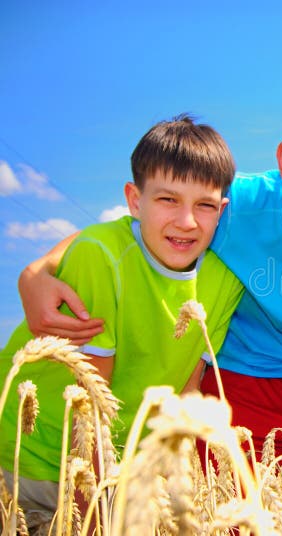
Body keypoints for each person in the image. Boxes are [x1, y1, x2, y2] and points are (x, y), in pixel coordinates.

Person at [16, 83, 282, 480]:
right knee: (227, 502)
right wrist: (37, 271)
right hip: (241, 374)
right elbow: (130, 227)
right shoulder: (228, 203)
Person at [0, 115, 243, 523]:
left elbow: (188, 387)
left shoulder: (225, 281)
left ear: (222, 210)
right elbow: (90, 410)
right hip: (35, 463)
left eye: (204, 205)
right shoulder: (100, 256)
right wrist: (99, 515)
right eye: (168, 199)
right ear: (134, 199)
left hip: (123, 474)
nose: (187, 221)